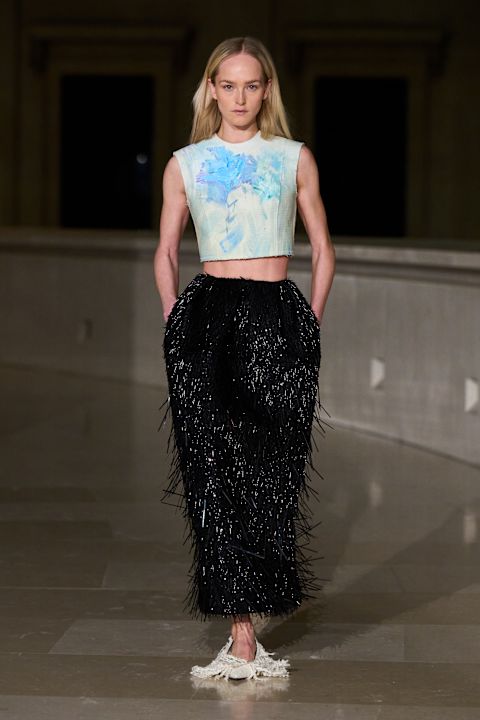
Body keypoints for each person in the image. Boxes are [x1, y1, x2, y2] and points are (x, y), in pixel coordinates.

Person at [153, 36, 335, 680]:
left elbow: (323, 247)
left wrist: (308, 323)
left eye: (250, 85)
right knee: (211, 468)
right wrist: (175, 319)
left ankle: (256, 607)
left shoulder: (293, 157)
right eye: (227, 85)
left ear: (266, 90)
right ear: (210, 89)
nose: (239, 97)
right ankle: (241, 631)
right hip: (206, 316)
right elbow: (166, 249)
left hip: (275, 313)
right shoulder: (186, 163)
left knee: (273, 467)